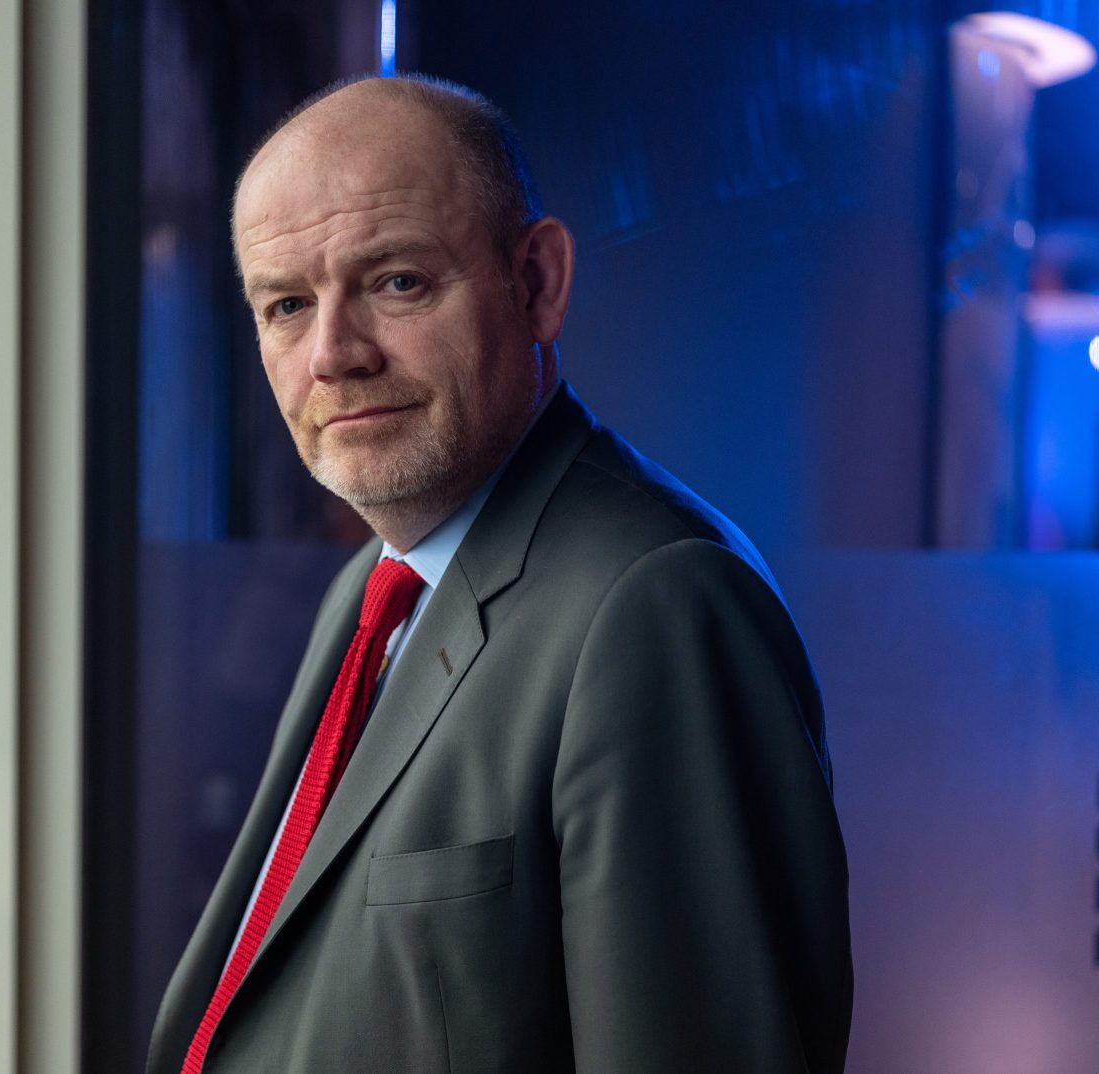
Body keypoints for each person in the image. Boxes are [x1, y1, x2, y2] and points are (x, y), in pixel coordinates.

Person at [146, 73, 852, 1074]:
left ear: (539, 281)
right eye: (288, 305)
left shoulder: (660, 603)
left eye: (397, 282)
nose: (332, 355)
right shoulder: (374, 589)